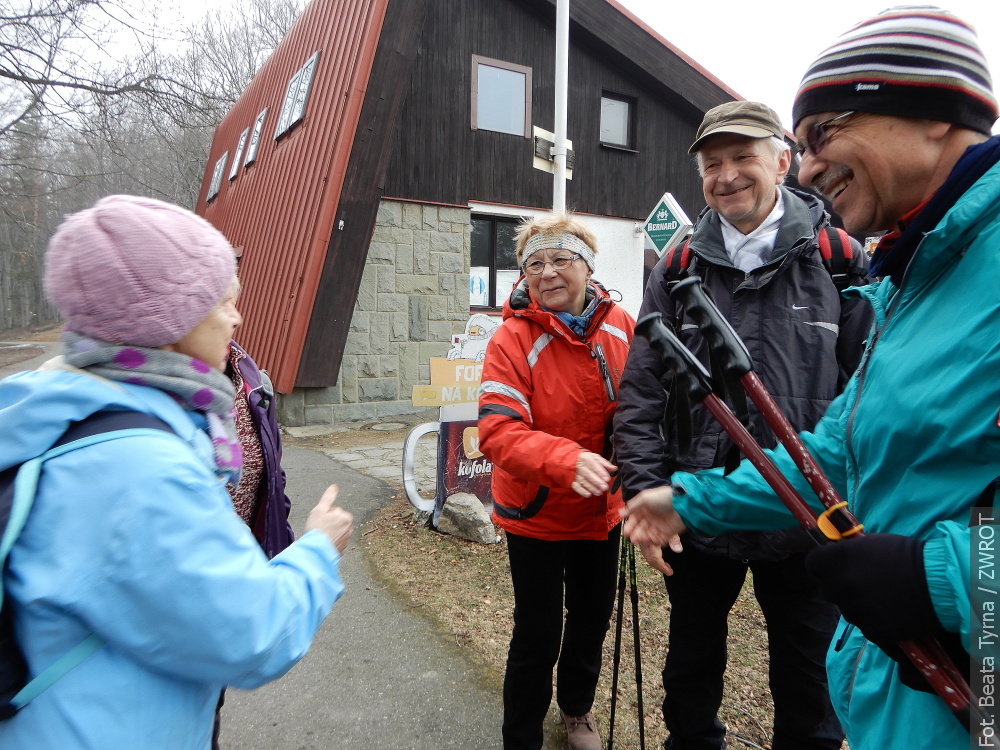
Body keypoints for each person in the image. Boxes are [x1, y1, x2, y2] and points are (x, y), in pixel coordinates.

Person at [621, 7, 1000, 750]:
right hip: (903, 688)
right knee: (693, 668)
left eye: (822, 133)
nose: (811, 164)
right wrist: (674, 494)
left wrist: (943, 579)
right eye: (803, 143)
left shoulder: (854, 260)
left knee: (802, 688)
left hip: (862, 587)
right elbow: (838, 450)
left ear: (933, 113)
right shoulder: (909, 277)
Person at [0, 194, 354, 749]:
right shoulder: (137, 468)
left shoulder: (61, 403)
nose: (236, 319)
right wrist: (319, 549)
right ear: (169, 320)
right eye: (223, 303)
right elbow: (253, 632)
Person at [614, 100, 871, 750]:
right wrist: (643, 496)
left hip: (807, 520)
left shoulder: (840, 261)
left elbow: (869, 400)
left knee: (811, 693)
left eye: (742, 158)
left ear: (782, 162)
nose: (726, 175)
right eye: (712, 163)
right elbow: (641, 394)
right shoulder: (675, 272)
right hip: (696, 518)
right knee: (690, 677)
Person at [478, 213, 634, 750]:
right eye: (534, 263)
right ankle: (521, 735)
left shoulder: (621, 327)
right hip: (536, 515)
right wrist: (565, 460)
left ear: (588, 265)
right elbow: (498, 431)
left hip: (601, 511)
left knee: (591, 619)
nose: (547, 272)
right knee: (537, 634)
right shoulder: (511, 339)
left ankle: (576, 711)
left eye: (561, 258)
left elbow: (642, 410)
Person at [211, 337, 296, 749]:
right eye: (220, 300)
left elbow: (272, 468)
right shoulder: (157, 388)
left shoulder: (245, 373)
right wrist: (316, 558)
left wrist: (281, 532)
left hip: (238, 563)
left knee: (211, 699)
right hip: (199, 576)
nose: (234, 315)